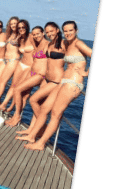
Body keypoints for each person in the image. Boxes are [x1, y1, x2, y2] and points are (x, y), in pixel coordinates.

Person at [24, 21, 91, 151]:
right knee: (45, 108)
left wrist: (87, 72)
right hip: (63, 81)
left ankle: (41, 143)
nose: (68, 33)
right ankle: (32, 136)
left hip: (73, 83)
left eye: (70, 30)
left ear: (76, 30)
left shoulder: (78, 43)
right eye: (66, 31)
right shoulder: (67, 43)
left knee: (55, 113)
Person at [16, 22, 65, 142]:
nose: (49, 34)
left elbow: (76, 54)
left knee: (33, 100)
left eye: (51, 31)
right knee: (40, 105)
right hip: (47, 79)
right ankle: (32, 132)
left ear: (57, 30)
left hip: (56, 81)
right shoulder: (50, 44)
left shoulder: (63, 43)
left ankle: (41, 128)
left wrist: (81, 71)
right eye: (47, 32)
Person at [4, 25, 46, 127]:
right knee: (23, 94)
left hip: (40, 75)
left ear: (43, 33)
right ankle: (15, 116)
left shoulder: (47, 45)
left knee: (18, 91)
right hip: (31, 71)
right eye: (34, 34)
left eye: (38, 34)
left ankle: (17, 116)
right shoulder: (37, 44)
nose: (36, 36)